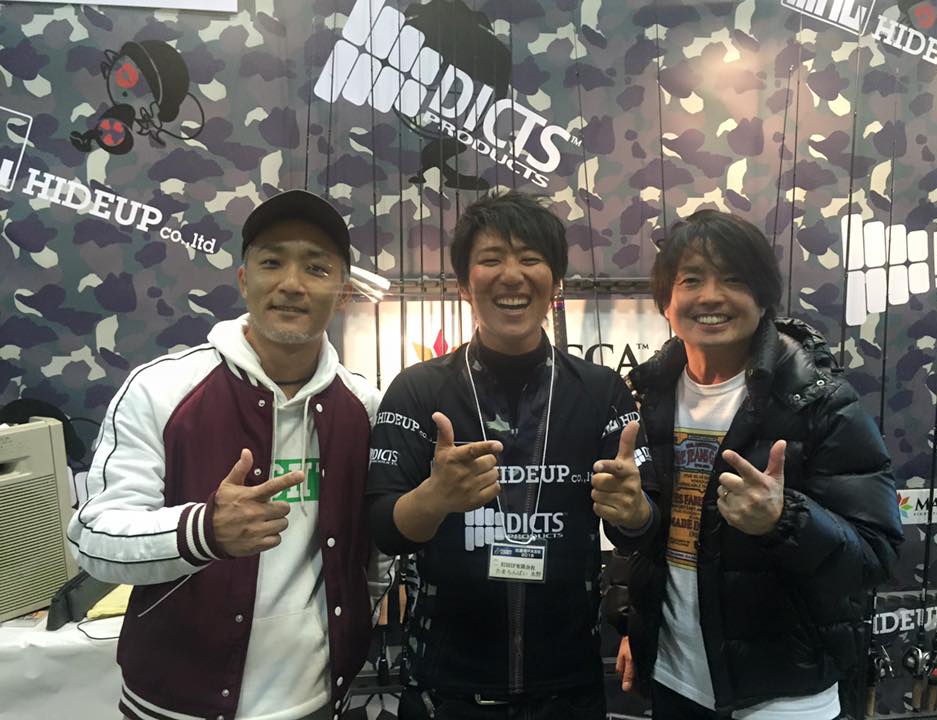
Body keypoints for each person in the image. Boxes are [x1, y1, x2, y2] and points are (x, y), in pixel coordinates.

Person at [67, 190, 392, 720]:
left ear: (343, 292)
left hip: (321, 700)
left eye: (316, 268)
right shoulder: (162, 389)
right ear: (244, 280)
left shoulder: (366, 408)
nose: (292, 283)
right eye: (272, 262)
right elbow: (94, 539)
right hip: (175, 705)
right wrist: (203, 531)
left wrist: (354, 625)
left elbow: (373, 555)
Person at [365, 190, 656, 720]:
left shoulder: (601, 392)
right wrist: (434, 499)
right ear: (463, 283)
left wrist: (635, 512)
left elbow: (642, 528)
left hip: (569, 690)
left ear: (555, 281)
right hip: (445, 692)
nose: (512, 275)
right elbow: (384, 528)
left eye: (530, 258)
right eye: (491, 259)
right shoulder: (418, 391)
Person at [604, 208, 903, 719]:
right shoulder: (649, 394)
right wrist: (636, 618)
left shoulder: (820, 401)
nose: (711, 296)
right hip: (674, 678)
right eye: (691, 280)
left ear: (763, 298)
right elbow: (660, 541)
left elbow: (875, 556)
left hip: (783, 695)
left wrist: (782, 521)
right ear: (666, 301)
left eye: (734, 279)